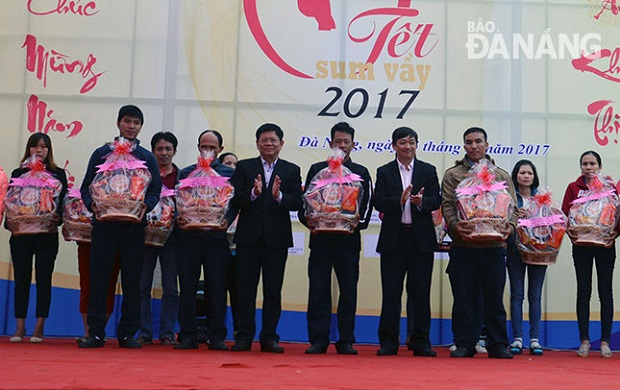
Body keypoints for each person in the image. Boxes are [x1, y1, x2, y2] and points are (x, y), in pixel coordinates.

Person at [79, 105, 162, 348]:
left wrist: (145, 206)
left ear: (140, 127)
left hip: (133, 228)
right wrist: (92, 205)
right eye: (127, 121)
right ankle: (95, 333)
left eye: (136, 123)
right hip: (104, 226)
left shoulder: (146, 158)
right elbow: (86, 187)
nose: (131, 126)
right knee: (99, 279)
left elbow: (155, 189)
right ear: (118, 124)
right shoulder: (101, 154)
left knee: (132, 281)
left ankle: (127, 334)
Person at [441, 127, 518, 359]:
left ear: (486, 144)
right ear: (464, 146)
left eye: (478, 141)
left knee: (494, 298)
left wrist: (509, 227)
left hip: (494, 247)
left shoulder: (501, 176)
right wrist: (456, 226)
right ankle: (465, 343)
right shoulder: (453, 174)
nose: (473, 146)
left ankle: (497, 344)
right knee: (463, 298)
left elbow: (513, 209)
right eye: (469, 142)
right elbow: (446, 205)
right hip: (464, 246)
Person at [298, 122, 373, 355]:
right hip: (320, 240)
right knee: (318, 290)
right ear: (330, 143)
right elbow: (305, 202)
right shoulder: (317, 169)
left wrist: (356, 224)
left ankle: (346, 340)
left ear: (353, 145)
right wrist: (310, 222)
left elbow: (367, 205)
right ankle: (318, 339)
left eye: (346, 142)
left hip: (348, 242)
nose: (342, 145)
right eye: (338, 141)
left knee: (348, 291)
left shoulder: (361, 172)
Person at [229, 123, 303, 353]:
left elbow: (298, 202)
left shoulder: (291, 170)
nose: (269, 143)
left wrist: (278, 196)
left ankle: (270, 337)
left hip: (277, 240)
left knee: (273, 290)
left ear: (281, 143)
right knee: (245, 290)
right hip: (248, 238)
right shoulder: (244, 167)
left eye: (273, 140)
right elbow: (234, 199)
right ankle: (244, 337)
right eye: (264, 140)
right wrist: (254, 193)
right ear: (257, 143)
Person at [374, 126, 441, 357]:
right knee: (391, 293)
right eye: (403, 142)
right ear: (394, 146)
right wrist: (399, 201)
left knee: (420, 293)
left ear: (416, 145)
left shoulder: (427, 170)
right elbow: (379, 202)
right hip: (394, 238)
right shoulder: (384, 171)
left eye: (412, 142)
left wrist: (422, 202)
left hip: (420, 239)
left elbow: (436, 199)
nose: (408, 146)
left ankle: (420, 341)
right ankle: (389, 342)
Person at [174, 130, 236, 350]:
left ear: (220, 148)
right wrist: (178, 217)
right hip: (189, 238)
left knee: (217, 288)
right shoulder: (187, 173)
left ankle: (217, 336)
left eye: (212, 147)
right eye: (204, 146)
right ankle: (187, 335)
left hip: (217, 239)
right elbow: (177, 201)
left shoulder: (229, 173)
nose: (208, 150)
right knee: (187, 288)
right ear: (198, 147)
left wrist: (227, 220)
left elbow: (235, 204)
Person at [7, 133, 68, 343]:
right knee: (21, 280)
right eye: (35, 147)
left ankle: (39, 327)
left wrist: (54, 219)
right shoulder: (18, 173)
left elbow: (62, 206)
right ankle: (19, 327)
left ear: (49, 150)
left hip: (46, 235)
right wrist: (12, 222)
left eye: (43, 147)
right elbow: (10, 202)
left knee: (44, 279)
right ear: (28, 149)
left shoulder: (57, 175)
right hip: (21, 235)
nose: (39, 150)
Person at [561, 151, 617, 358]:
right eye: (584, 163)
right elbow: (565, 216)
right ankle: (584, 340)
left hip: (605, 246)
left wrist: (614, 235)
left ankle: (605, 341)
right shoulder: (574, 188)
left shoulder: (609, 187)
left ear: (599, 166)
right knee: (583, 292)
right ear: (580, 167)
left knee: (606, 292)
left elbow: (617, 215)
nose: (588, 167)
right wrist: (572, 237)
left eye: (592, 163)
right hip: (581, 246)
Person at [136, 132, 181, 345]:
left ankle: (167, 332)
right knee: (142, 285)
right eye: (159, 149)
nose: (164, 153)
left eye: (168, 149)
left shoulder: (183, 177)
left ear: (174, 151)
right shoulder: (143, 175)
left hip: (173, 238)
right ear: (153, 151)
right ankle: (144, 331)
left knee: (171, 286)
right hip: (145, 235)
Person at [506, 160, 546, 356]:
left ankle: (535, 339)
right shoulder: (509, 198)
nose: (526, 176)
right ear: (516, 175)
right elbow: (501, 220)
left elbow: (552, 222)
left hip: (538, 251)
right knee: (516, 295)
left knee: (535, 296)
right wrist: (513, 215)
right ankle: (518, 338)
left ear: (534, 176)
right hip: (515, 251)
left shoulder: (543, 198)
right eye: (522, 172)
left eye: (530, 172)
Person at [76, 242, 120, 343]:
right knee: (86, 283)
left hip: (115, 241)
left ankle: (98, 330)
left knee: (109, 284)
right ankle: (88, 331)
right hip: (87, 241)